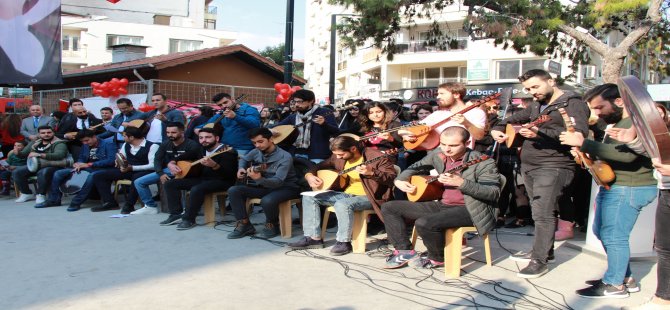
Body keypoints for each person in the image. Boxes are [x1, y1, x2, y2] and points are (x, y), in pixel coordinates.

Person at [558, 84, 656, 298]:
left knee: (614, 235)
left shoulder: (634, 123)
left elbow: (628, 156)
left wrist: (585, 144)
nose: (598, 113)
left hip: (628, 187)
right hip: (618, 186)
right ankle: (622, 277)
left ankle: (614, 284)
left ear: (619, 101)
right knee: (603, 232)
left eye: (600, 107)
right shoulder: (623, 122)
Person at [490, 69, 590, 279]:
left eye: (535, 87)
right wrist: (496, 128)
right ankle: (545, 250)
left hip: (555, 165)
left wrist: (539, 132)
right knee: (539, 212)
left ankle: (539, 260)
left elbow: (578, 135)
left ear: (551, 81)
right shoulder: (537, 105)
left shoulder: (572, 103)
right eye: (527, 89)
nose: (532, 92)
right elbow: (510, 118)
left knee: (543, 213)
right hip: (530, 165)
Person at [383, 126, 501, 268]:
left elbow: (493, 192)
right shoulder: (438, 154)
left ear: (467, 143)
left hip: (471, 209)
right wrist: (400, 180)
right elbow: (417, 166)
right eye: (443, 144)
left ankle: (438, 257)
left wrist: (462, 183)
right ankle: (404, 250)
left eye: (453, 145)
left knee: (424, 223)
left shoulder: (483, 162)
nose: (447, 149)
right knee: (390, 207)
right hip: (444, 204)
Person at [288, 135, 397, 255]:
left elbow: (392, 179)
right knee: (309, 197)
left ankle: (343, 242)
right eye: (336, 155)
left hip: (370, 196)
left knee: (342, 204)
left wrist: (372, 172)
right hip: (347, 194)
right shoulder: (338, 156)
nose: (338, 157)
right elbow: (319, 166)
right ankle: (313, 238)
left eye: (341, 155)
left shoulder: (376, 157)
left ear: (353, 149)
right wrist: (309, 175)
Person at [226, 128, 302, 239]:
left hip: (286, 188)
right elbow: (244, 159)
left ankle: (272, 224)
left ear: (271, 139)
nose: (257, 145)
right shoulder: (256, 151)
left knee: (267, 200)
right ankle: (245, 224)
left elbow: (278, 181)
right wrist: (241, 168)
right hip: (265, 186)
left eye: (260, 142)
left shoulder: (285, 157)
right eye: (254, 143)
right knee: (234, 190)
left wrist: (259, 179)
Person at [160, 127, 238, 230]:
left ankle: (189, 219)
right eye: (201, 138)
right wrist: (172, 162)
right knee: (170, 184)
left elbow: (230, 174)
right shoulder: (201, 149)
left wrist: (215, 165)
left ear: (217, 138)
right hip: (204, 179)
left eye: (208, 137)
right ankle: (175, 214)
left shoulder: (228, 152)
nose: (204, 140)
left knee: (197, 188)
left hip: (223, 181)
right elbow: (183, 156)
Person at [35, 129, 117, 211]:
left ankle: (76, 202)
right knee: (59, 173)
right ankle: (53, 200)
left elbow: (111, 160)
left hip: (101, 168)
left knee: (92, 176)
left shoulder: (108, 144)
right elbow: (81, 157)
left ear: (94, 137)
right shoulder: (85, 145)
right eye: (83, 141)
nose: (85, 143)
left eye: (87, 140)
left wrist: (89, 164)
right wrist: (79, 163)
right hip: (86, 167)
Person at [133, 122, 201, 215]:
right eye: (168, 132)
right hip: (169, 170)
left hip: (188, 171)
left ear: (182, 132)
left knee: (180, 184)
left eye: (173, 132)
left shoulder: (191, 144)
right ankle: (150, 206)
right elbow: (157, 159)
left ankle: (186, 209)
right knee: (139, 182)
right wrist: (160, 173)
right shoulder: (165, 144)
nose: (170, 135)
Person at [91, 124, 158, 213]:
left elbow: (152, 165)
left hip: (146, 171)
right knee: (99, 175)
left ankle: (129, 205)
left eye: (124, 136)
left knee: (137, 178)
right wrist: (119, 163)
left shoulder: (152, 146)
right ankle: (110, 202)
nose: (123, 138)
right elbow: (121, 157)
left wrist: (132, 168)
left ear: (131, 137)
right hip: (128, 169)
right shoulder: (126, 145)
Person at [400, 82, 487, 148]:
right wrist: (404, 134)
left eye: (442, 94)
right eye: (438, 94)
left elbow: (479, 136)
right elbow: (406, 129)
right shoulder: (438, 114)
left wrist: (466, 123)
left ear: (456, 94)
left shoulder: (476, 112)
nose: (438, 97)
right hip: (435, 159)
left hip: (461, 160)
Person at [274, 89, 339, 163]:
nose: (296, 104)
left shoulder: (324, 112)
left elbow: (336, 131)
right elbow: (277, 127)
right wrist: (271, 130)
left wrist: (324, 124)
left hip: (317, 155)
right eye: (295, 102)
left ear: (311, 101)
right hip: (296, 153)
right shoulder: (293, 116)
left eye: (300, 102)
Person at [12, 125, 69, 203]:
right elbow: (24, 154)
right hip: (36, 165)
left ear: (53, 133)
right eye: (43, 133)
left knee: (42, 172)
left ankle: (41, 194)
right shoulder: (36, 142)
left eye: (49, 132)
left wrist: (40, 155)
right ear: (39, 134)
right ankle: (26, 193)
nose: (46, 134)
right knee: (17, 172)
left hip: (53, 165)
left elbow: (59, 155)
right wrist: (18, 153)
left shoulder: (59, 143)